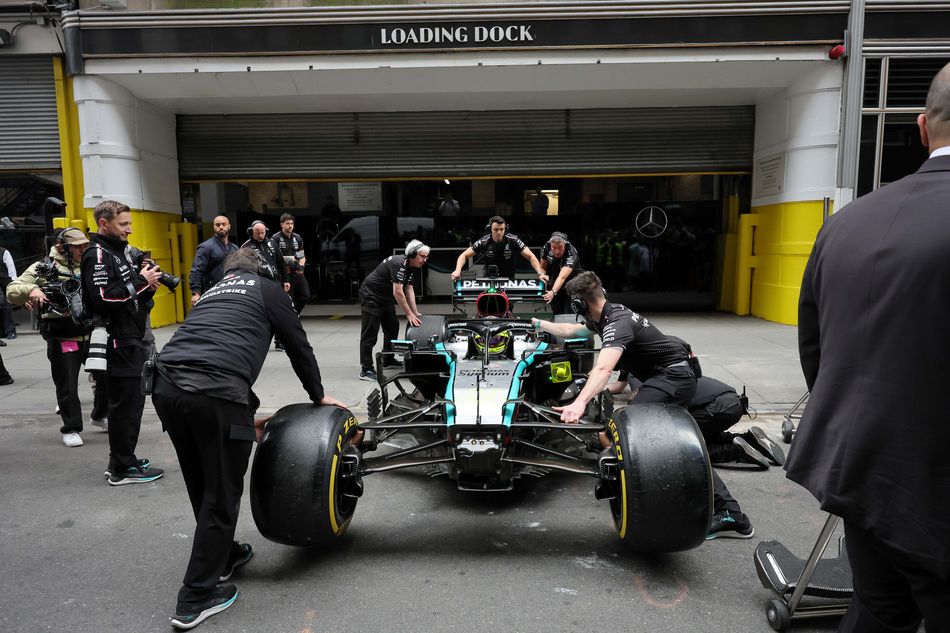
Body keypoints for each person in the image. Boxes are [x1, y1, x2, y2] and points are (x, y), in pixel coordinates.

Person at [786, 63, 950, 632]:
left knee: (879, 611)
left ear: (922, 128)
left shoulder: (848, 222)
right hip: (933, 486)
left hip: (863, 472)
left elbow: (816, 350)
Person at [153, 248, 344, 630]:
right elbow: (297, 343)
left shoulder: (211, 291)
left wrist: (239, 423)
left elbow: (204, 342)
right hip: (216, 393)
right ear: (262, 271)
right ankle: (195, 598)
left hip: (165, 388)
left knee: (201, 481)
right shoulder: (268, 289)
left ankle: (224, 557)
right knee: (222, 494)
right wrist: (317, 395)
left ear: (227, 271)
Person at [532, 271, 753, 539]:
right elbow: (570, 330)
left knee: (630, 429)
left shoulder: (617, 323)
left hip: (673, 377)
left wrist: (579, 404)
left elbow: (603, 368)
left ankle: (729, 513)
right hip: (670, 377)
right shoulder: (607, 317)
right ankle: (721, 508)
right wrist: (535, 323)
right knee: (671, 444)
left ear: (579, 305)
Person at [81, 200, 165, 485]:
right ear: (104, 224)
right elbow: (102, 298)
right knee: (125, 406)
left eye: (130, 223)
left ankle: (123, 458)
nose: (130, 229)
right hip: (119, 342)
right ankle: (121, 468)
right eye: (123, 224)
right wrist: (141, 282)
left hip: (132, 337)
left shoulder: (119, 253)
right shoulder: (98, 254)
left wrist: (147, 287)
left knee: (131, 404)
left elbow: (129, 296)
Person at [6, 228, 107, 446]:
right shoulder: (45, 267)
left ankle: (100, 415)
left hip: (93, 332)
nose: (82, 249)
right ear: (63, 247)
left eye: (84, 245)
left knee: (106, 377)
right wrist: (32, 289)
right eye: (77, 246)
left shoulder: (93, 261)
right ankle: (71, 428)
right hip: (63, 335)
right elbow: (12, 289)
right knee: (67, 385)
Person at [358, 239, 429, 382]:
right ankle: (366, 369)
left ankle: (387, 359)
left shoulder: (410, 267)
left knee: (392, 326)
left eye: (426, 257)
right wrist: (408, 313)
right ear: (412, 254)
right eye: (421, 256)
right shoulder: (399, 264)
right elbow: (398, 292)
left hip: (384, 297)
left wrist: (415, 312)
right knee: (370, 332)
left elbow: (409, 288)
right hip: (371, 295)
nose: (424, 260)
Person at [450, 216, 544, 281]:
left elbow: (531, 256)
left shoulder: (513, 240)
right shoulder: (484, 241)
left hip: (509, 278)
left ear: (505, 229)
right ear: (489, 229)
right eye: (495, 229)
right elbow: (464, 255)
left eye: (501, 229)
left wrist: (540, 273)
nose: (499, 232)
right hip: (489, 277)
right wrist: (458, 270)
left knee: (507, 309)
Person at [189, 215, 238, 307]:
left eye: (224, 224)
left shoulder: (235, 248)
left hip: (231, 290)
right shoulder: (206, 247)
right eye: (217, 225)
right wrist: (195, 293)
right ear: (214, 227)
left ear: (229, 226)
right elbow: (196, 270)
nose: (221, 227)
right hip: (212, 291)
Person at [271, 213, 310, 317]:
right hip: (284, 274)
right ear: (282, 225)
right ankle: (287, 318)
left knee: (305, 295)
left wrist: (301, 267)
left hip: (297, 272)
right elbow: (274, 258)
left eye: (292, 223)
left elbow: (301, 256)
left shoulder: (297, 238)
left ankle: (294, 315)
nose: (290, 226)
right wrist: (291, 261)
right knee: (288, 299)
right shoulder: (275, 239)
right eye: (287, 223)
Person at [539, 231, 582, 314]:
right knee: (557, 311)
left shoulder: (571, 252)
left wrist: (553, 292)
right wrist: (542, 275)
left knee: (572, 312)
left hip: (573, 283)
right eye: (554, 247)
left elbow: (562, 277)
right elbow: (543, 267)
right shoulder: (547, 247)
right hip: (556, 281)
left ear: (565, 245)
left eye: (560, 247)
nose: (557, 251)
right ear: (550, 244)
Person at [240, 220, 288, 292]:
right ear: (251, 232)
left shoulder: (272, 243)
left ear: (266, 232)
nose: (260, 236)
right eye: (257, 233)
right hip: (258, 285)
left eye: (262, 233)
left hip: (276, 282)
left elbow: (281, 262)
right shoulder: (245, 247)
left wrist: (286, 280)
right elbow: (243, 270)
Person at [0, 244, 17, 339]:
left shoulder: (3, 251)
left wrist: (14, 282)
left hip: (4, 282)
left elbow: (11, 268)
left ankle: (10, 330)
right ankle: (3, 331)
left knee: (5, 306)